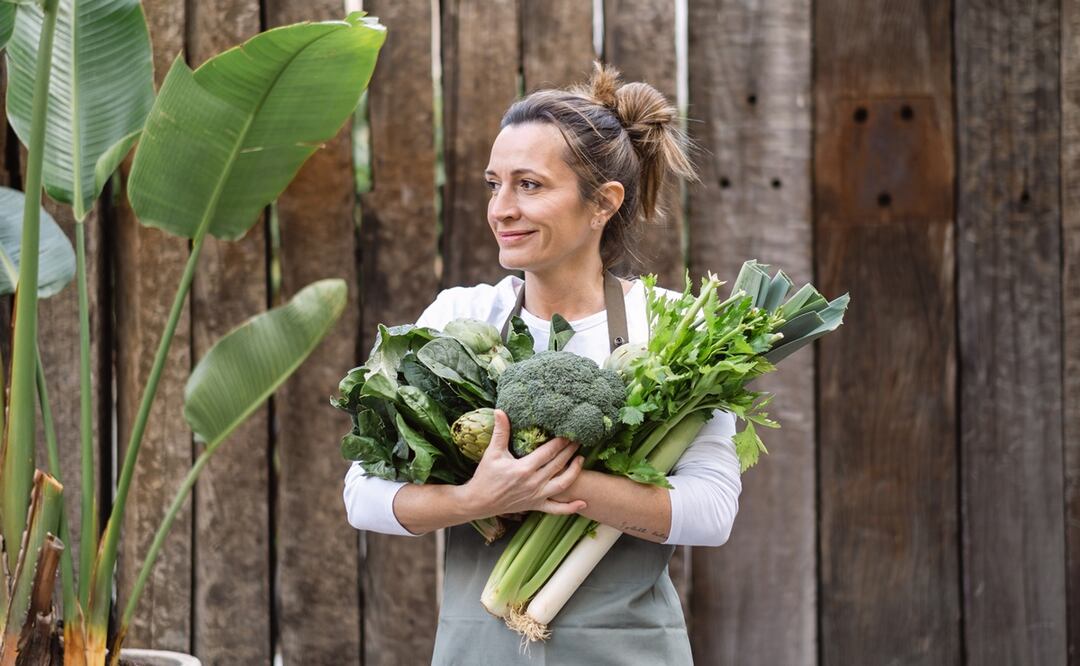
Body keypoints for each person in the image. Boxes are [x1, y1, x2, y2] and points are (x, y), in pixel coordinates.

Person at [343, 61, 742, 664]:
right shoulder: (459, 317)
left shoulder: (673, 329)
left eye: (529, 185)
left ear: (603, 203)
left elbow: (709, 513)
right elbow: (363, 494)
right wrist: (477, 500)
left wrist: (552, 482)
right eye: (493, 184)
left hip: (627, 652)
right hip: (477, 648)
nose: (500, 208)